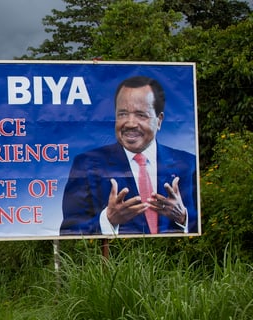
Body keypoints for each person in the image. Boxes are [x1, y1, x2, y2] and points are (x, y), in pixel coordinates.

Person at [60, 76, 198, 236]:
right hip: (117, 259)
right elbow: (69, 230)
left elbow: (205, 225)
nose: (130, 123)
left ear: (159, 120)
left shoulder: (187, 164)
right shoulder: (87, 164)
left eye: (141, 115)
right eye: (123, 114)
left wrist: (182, 218)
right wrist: (108, 220)